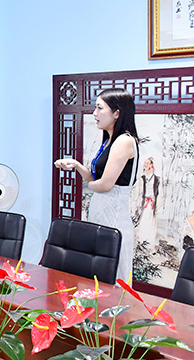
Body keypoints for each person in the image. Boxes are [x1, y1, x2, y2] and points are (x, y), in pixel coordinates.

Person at [55, 88, 139, 283]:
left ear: (117, 113)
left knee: (114, 283)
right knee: (95, 282)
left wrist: (89, 187)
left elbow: (105, 185)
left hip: (114, 220)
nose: (95, 114)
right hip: (101, 215)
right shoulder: (109, 140)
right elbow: (95, 179)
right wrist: (76, 165)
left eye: (100, 108)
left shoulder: (124, 141)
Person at [134, 157, 160, 251]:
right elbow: (137, 193)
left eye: (147, 163)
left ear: (151, 165)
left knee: (150, 224)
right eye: (145, 163)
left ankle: (149, 245)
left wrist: (157, 206)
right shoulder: (141, 179)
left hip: (151, 204)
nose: (145, 165)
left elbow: (160, 194)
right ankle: (141, 243)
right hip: (143, 203)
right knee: (142, 222)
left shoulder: (156, 179)